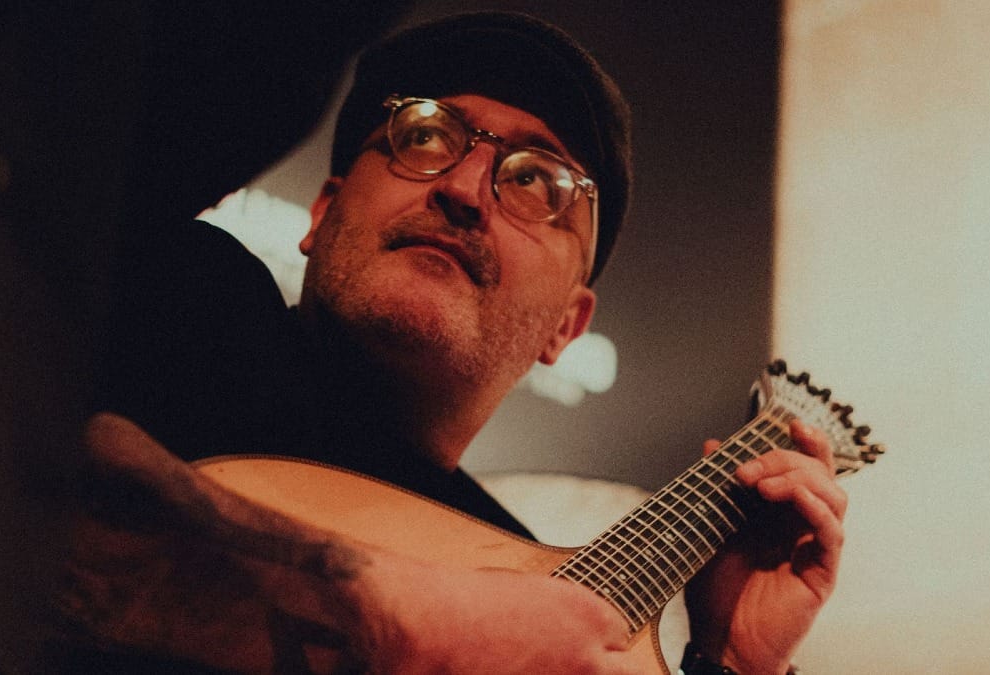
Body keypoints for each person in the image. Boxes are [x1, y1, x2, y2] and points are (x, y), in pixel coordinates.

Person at [77, 11, 848, 674]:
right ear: (321, 214)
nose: (463, 188)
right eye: (422, 134)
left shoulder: (527, 583)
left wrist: (729, 661)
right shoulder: (172, 291)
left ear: (565, 329)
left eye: (539, 183)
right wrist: (411, 614)